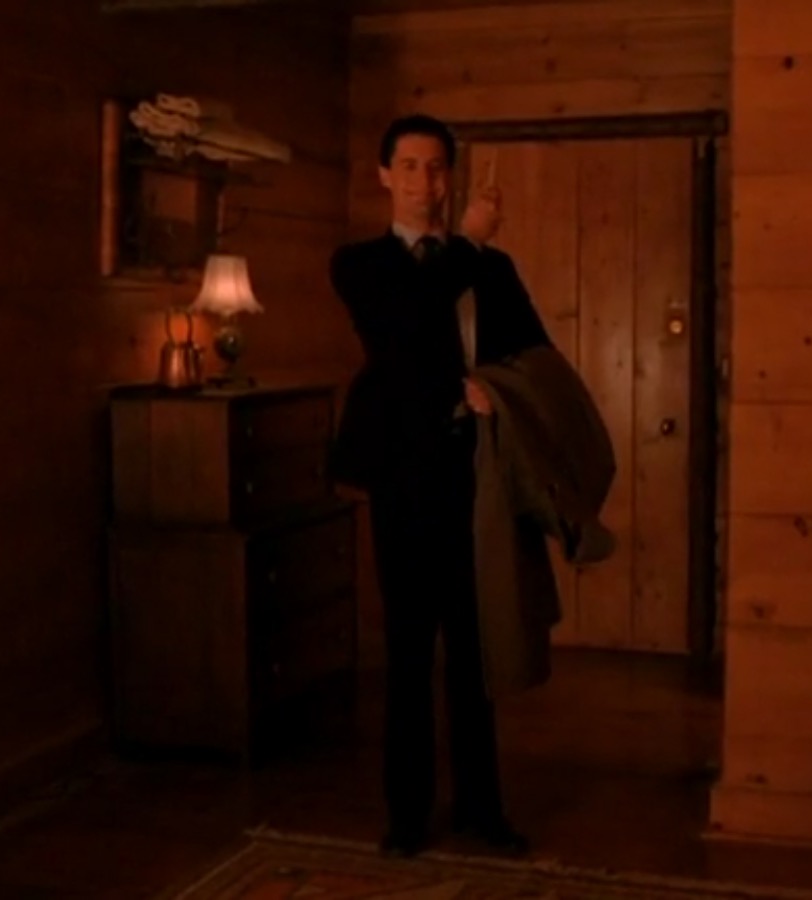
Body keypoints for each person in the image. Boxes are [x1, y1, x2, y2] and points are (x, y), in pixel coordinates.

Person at [327, 113, 552, 859]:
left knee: (473, 651)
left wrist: (498, 389)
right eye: (410, 167)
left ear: (450, 177)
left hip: (475, 476)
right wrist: (470, 244)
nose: (425, 182)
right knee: (408, 649)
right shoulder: (360, 265)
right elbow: (406, 332)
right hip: (402, 479)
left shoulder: (490, 267)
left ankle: (483, 808)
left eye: (436, 168)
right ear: (384, 176)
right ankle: (407, 814)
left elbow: (533, 357)